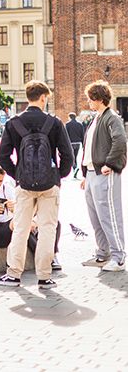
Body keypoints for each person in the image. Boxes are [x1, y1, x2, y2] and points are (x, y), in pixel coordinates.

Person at [0, 80, 73, 289]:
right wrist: (58, 176)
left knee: (20, 228)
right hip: (49, 184)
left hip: (24, 184)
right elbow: (67, 156)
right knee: (48, 228)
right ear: (43, 98)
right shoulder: (54, 123)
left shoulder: (13, 123)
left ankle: (13, 274)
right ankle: (44, 276)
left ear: (27, 97)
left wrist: (18, 175)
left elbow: (2, 157)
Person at [80, 80, 127, 272]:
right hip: (92, 173)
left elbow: (121, 140)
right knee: (96, 216)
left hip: (103, 172)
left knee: (109, 215)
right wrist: (85, 174)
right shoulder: (96, 118)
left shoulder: (111, 118)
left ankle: (119, 256)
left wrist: (109, 163)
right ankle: (103, 253)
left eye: (91, 99)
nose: (89, 102)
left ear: (99, 99)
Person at [66, 112, 85, 179]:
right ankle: (75, 168)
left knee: (72, 157)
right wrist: (83, 144)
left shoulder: (67, 124)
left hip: (70, 143)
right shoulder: (79, 124)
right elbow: (82, 135)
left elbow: (65, 135)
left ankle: (75, 167)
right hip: (77, 143)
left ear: (70, 117)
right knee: (75, 156)